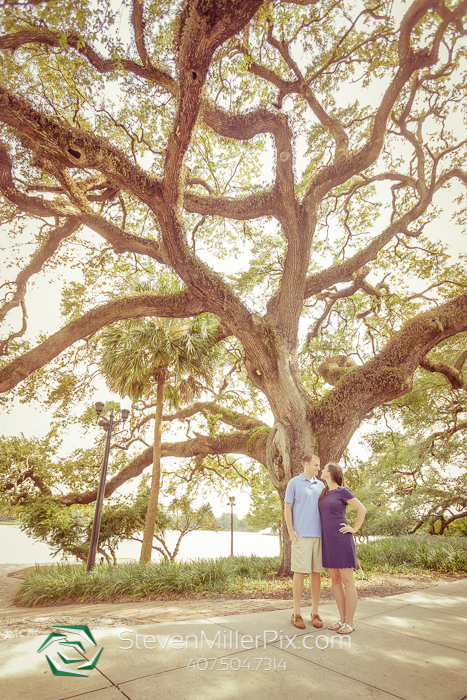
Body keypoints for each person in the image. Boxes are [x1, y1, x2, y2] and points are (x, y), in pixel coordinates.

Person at [318, 463, 367, 634]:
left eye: (324, 469)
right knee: (335, 581)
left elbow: (362, 509)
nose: (321, 470)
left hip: (341, 539)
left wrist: (354, 528)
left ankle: (350, 622)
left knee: (347, 581)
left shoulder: (343, 491)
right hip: (328, 541)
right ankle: (342, 619)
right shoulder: (324, 493)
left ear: (330, 473)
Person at [285, 453, 325, 630]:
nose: (318, 468)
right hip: (301, 536)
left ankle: (315, 612)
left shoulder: (322, 485)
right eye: (316, 465)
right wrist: (291, 530)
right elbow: (287, 508)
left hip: (319, 536)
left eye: (319, 465)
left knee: (316, 573)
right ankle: (296, 612)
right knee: (300, 573)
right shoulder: (294, 483)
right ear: (307, 464)